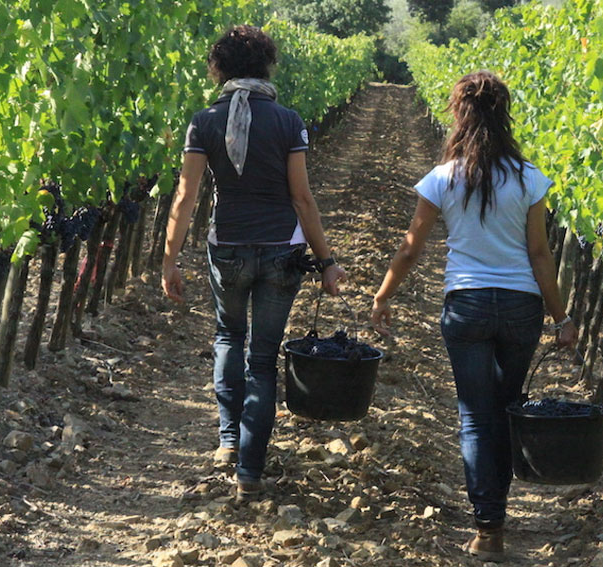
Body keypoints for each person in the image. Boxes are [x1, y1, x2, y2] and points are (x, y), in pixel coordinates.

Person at [371, 70, 577, 562]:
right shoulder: (529, 179)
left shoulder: (443, 178)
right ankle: (496, 516)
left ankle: (488, 528)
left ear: (458, 114)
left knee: (475, 417)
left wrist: (383, 296)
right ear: (504, 115)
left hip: (465, 306)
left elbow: (409, 249)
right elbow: (540, 255)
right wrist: (561, 317)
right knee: (505, 412)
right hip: (521, 308)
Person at [162, 25, 346, 502]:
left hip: (227, 247)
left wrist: (169, 260)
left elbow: (186, 198)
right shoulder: (289, 121)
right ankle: (249, 470)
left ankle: (227, 440)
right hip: (282, 250)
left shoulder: (204, 121)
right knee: (263, 360)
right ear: (267, 64)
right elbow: (302, 199)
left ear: (219, 67)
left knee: (228, 336)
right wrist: (326, 261)